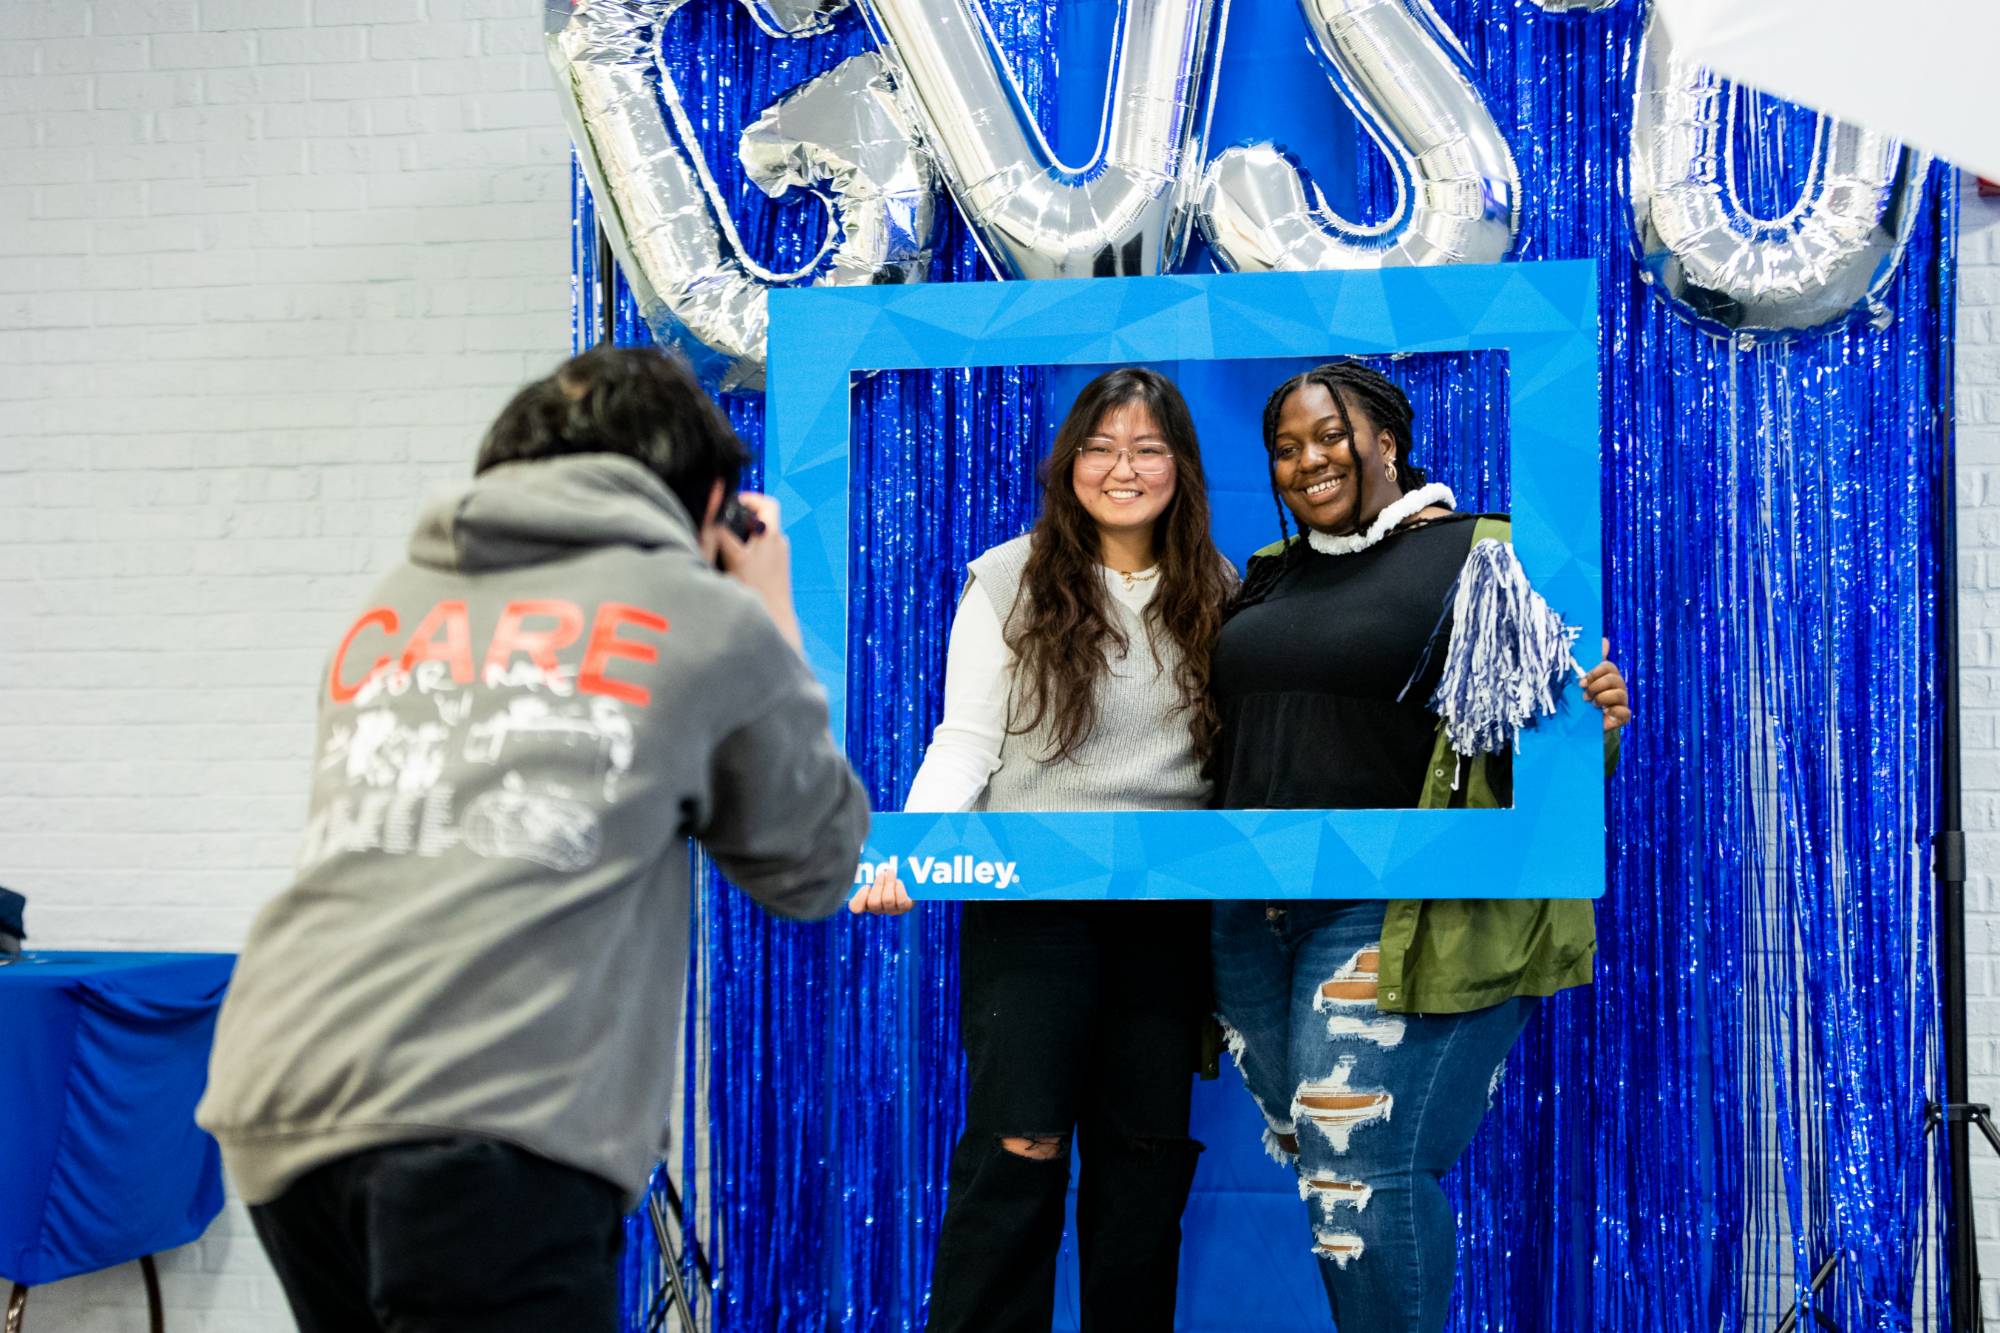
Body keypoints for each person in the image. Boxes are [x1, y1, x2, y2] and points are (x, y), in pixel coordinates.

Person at [197, 346, 870, 1333]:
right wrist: (768, 603)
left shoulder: (395, 602)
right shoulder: (703, 616)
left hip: (281, 1099)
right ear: (714, 501)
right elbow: (811, 860)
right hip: (488, 1115)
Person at [1206, 361, 1631, 1332]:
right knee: (1327, 1178)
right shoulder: (1269, 575)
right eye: (1285, 444)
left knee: (1362, 1174)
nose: (1307, 458)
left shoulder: (1478, 552)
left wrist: (1592, 726)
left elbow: (1556, 750)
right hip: (1248, 914)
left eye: (1330, 434)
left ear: (1387, 441)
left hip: (1394, 905)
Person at [851, 367, 1236, 1332]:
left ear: (1181, 469)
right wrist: (908, 850)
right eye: (1102, 447)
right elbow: (965, 743)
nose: (1124, 468)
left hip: (1164, 913)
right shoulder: (1007, 578)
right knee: (1019, 1146)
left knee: (1142, 1162)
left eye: (1149, 448)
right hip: (1033, 910)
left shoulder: (1221, 590)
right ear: (1069, 464)